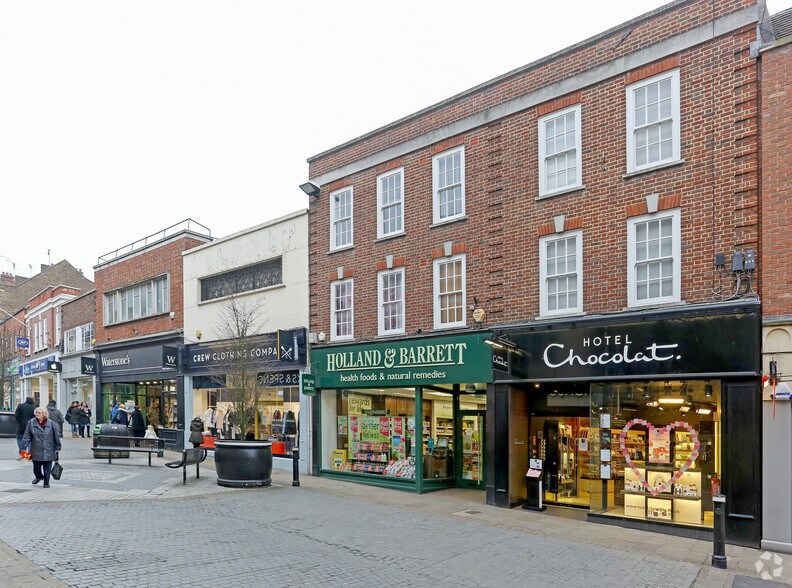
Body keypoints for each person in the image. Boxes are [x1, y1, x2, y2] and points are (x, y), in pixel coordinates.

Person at [22, 406, 61, 488]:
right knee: (36, 468)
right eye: (36, 412)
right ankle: (39, 476)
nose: (37, 414)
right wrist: (23, 448)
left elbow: (56, 436)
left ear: (44, 414)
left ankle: (46, 482)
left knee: (47, 467)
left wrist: (58, 446)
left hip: (48, 448)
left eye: (39, 413)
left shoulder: (51, 423)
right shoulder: (31, 422)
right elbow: (26, 436)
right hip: (36, 449)